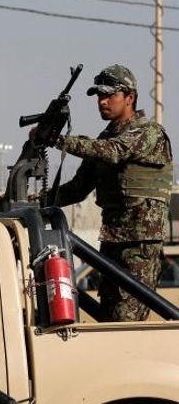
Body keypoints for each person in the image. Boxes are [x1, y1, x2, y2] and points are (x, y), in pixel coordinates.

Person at [48, 64, 173, 322]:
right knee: (108, 320)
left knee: (125, 324)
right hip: (112, 243)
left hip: (138, 247)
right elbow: (76, 189)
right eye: (99, 96)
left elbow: (114, 151)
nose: (102, 101)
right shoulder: (103, 140)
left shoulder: (149, 133)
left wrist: (58, 139)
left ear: (130, 98)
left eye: (109, 95)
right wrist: (32, 201)